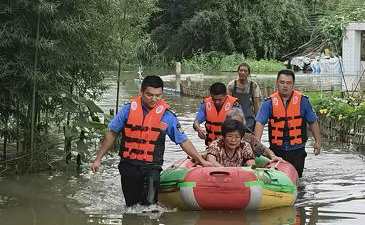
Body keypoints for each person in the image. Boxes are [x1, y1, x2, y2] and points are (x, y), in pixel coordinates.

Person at [91, 75, 210, 207]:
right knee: (131, 206)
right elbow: (111, 134)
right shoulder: (128, 109)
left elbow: (183, 141)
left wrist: (201, 161)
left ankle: (150, 224)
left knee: (150, 206)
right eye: (149, 95)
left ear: (162, 94)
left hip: (152, 167)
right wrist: (98, 158)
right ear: (141, 92)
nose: (154, 99)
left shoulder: (167, 116)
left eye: (158, 95)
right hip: (129, 165)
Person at [254, 69, 321, 177]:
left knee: (297, 179)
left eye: (288, 83)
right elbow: (260, 123)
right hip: (276, 150)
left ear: (293, 85)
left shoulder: (303, 101)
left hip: (297, 150)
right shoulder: (268, 102)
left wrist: (318, 141)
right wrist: (256, 144)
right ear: (277, 83)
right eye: (282, 82)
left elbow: (312, 121)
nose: (285, 86)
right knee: (277, 179)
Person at [193, 82, 241, 146]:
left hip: (229, 146)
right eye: (214, 99)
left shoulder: (234, 105)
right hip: (211, 145)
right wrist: (199, 130)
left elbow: (239, 126)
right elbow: (196, 123)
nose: (217, 102)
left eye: (219, 99)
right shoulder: (205, 104)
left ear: (225, 95)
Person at [227, 62, 262, 132]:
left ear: (248, 73)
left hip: (249, 121)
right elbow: (227, 105)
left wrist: (258, 123)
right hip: (234, 121)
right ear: (238, 72)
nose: (243, 72)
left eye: (245, 71)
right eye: (241, 70)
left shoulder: (253, 86)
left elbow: (256, 106)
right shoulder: (231, 85)